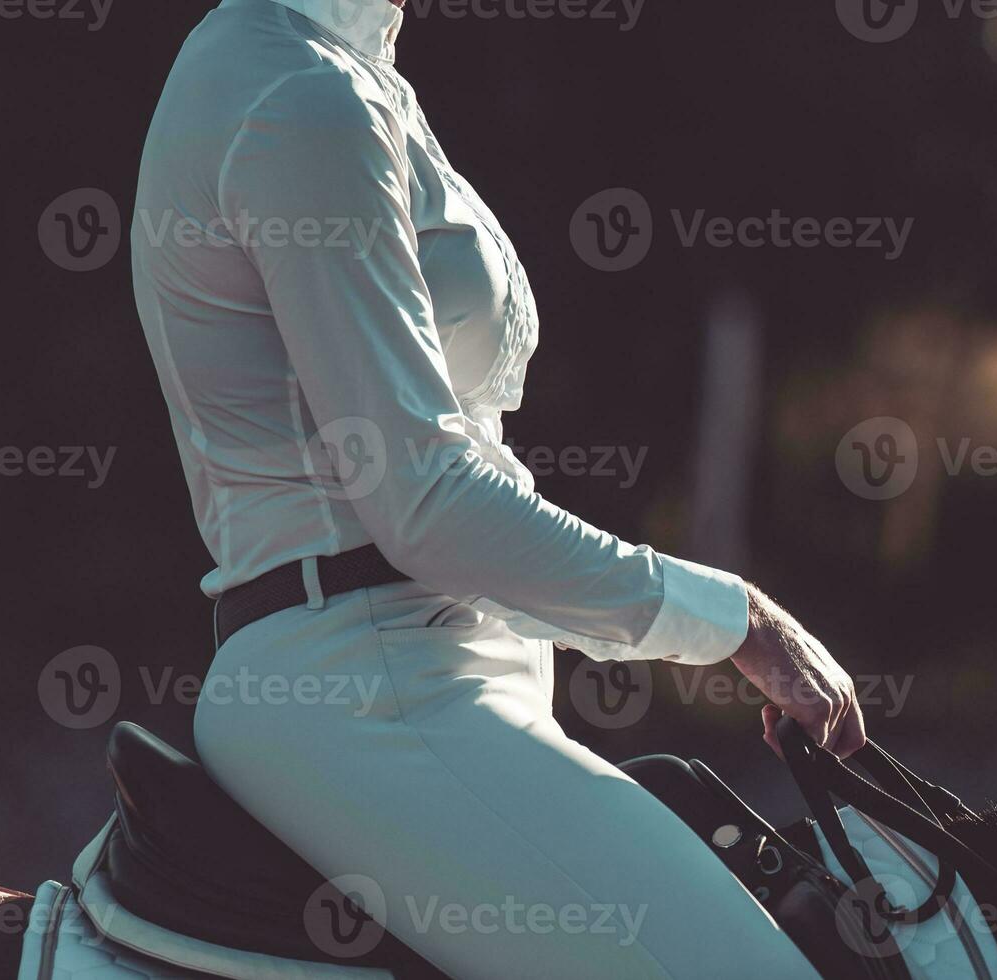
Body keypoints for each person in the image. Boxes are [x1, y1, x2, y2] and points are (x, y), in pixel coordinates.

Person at [131, 0, 864, 975]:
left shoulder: (336, 61)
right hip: (374, 689)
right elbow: (426, 502)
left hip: (423, 670)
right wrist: (735, 621)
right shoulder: (303, 97)